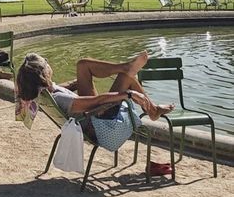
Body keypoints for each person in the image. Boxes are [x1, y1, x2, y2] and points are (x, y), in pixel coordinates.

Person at [16, 51, 175, 144]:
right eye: (46, 63)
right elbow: (96, 102)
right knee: (127, 78)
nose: (49, 64)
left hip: (94, 119)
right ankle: (152, 109)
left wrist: (82, 80)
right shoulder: (59, 98)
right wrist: (129, 94)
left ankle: (127, 69)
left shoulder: (45, 91)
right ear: (44, 73)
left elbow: (66, 89)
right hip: (101, 126)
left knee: (83, 65)